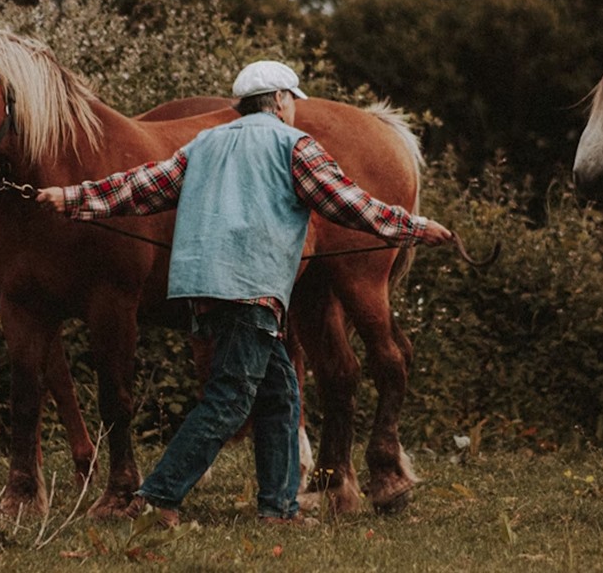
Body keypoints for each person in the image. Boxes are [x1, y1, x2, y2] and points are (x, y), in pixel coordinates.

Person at [36, 60, 454, 526]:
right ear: (279, 100)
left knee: (280, 396)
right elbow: (347, 203)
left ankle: (278, 510)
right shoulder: (294, 145)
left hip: (204, 290)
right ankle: (156, 497)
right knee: (230, 400)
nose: (295, 109)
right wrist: (414, 226)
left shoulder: (207, 143)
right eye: (294, 100)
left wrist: (73, 199)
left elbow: (142, 188)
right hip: (252, 289)